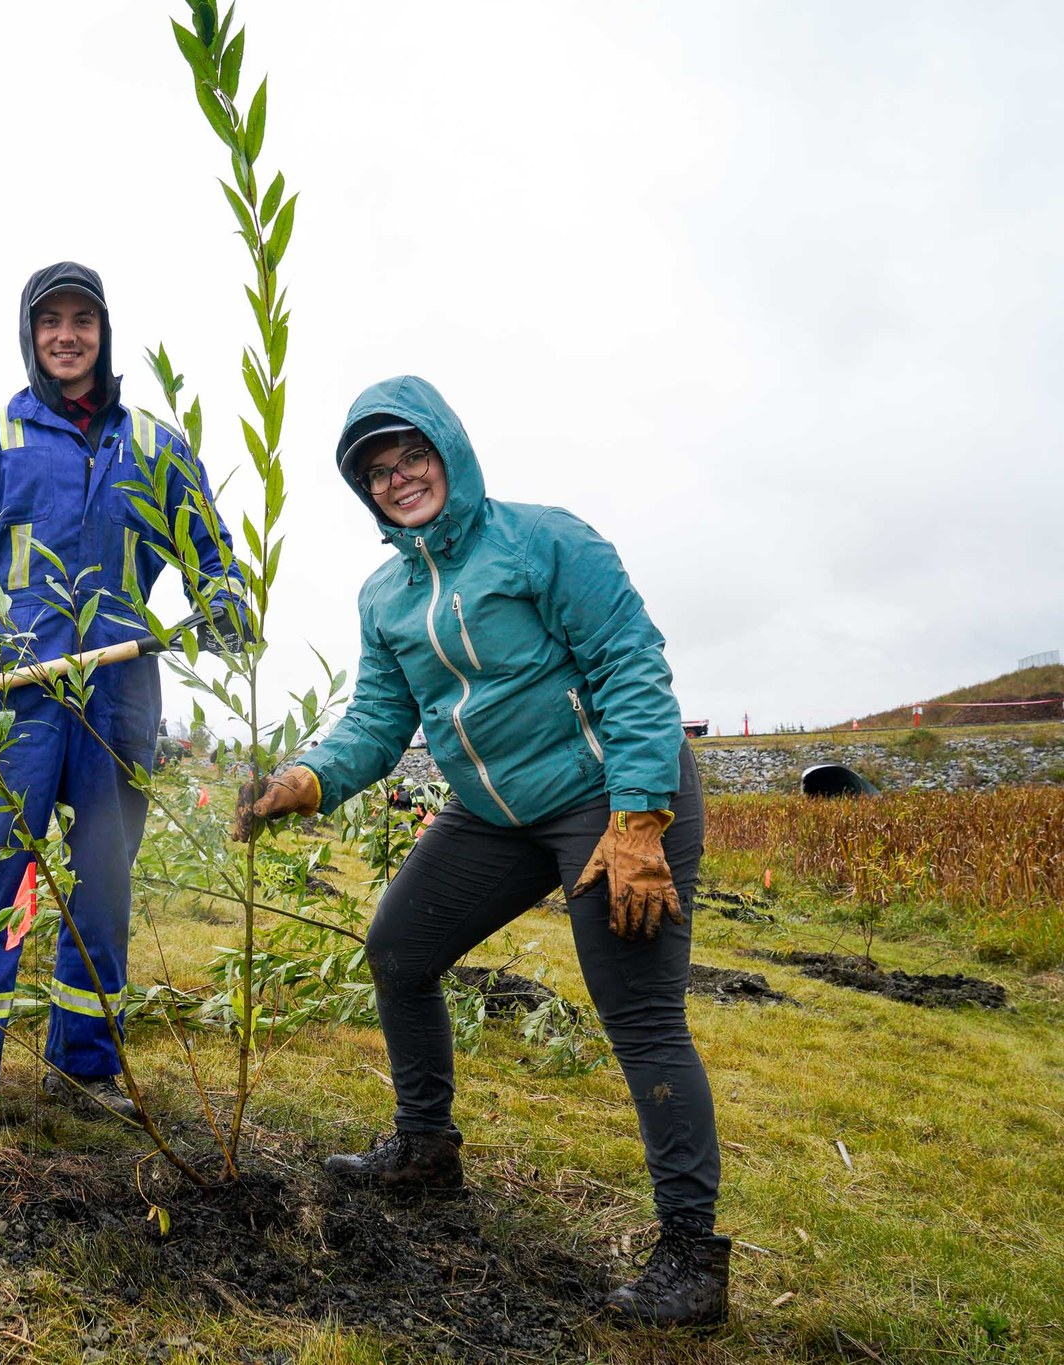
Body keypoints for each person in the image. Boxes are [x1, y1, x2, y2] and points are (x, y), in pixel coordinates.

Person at [232, 376, 728, 1328]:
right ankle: (425, 1147)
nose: (398, 478)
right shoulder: (385, 594)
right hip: (495, 811)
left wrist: (638, 821)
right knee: (399, 951)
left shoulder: (546, 541)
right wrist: (304, 778)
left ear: (448, 451)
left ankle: (692, 1257)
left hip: (606, 797)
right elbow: (379, 719)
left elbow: (631, 665)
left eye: (411, 456)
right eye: (377, 472)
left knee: (641, 1014)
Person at [0, 263, 246, 1131]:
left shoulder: (157, 446)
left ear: (105, 332)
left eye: (83, 319)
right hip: (6, 700)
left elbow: (213, 556)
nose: (67, 335)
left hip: (118, 694)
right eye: (52, 322)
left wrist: (223, 600)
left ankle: (88, 1069)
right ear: (30, 335)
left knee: (103, 879)